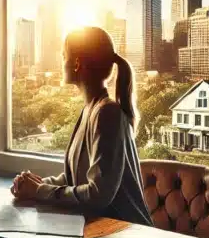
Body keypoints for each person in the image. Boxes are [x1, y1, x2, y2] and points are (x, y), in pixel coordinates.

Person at [11, 26, 153, 225]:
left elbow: (98, 195)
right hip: (103, 230)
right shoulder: (90, 109)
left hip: (128, 236)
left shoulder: (107, 113)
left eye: (63, 56)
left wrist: (39, 191)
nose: (61, 63)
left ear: (77, 63)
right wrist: (37, 185)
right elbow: (76, 178)